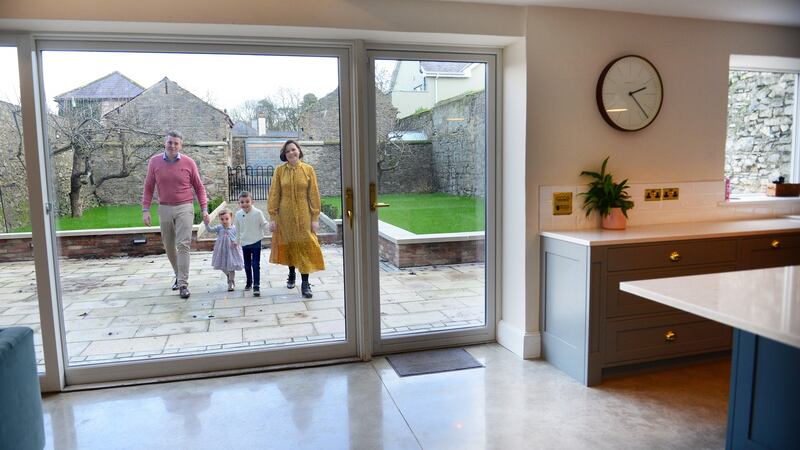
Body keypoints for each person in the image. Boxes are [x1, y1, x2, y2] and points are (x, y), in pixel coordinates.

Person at [142, 130, 210, 299]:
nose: (172, 146)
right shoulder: (154, 162)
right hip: (164, 207)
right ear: (165, 143)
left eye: (176, 143)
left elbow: (199, 187)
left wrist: (204, 208)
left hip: (184, 207)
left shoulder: (189, 162)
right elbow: (149, 186)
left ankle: (183, 284)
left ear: (181, 145)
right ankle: (178, 275)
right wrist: (145, 210)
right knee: (169, 245)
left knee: (183, 245)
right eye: (170, 142)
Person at [268, 140, 325, 299]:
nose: (291, 153)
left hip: (304, 214)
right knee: (289, 243)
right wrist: (273, 216)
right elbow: (274, 194)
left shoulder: (308, 170)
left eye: (293, 149)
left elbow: (313, 194)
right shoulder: (279, 171)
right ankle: (292, 273)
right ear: (284, 155)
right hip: (285, 215)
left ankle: (305, 283)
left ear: (299, 151)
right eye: (288, 151)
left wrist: (315, 217)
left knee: (305, 244)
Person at [234, 191, 268, 297]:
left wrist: (270, 227)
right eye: (242, 202)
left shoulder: (258, 213)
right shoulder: (238, 214)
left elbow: (264, 224)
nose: (245, 204)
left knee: (255, 264)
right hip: (245, 243)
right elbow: (237, 229)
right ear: (238, 203)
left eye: (247, 201)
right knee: (247, 265)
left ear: (252, 201)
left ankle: (256, 286)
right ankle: (249, 282)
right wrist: (237, 241)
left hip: (256, 241)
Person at [204, 208, 244, 291]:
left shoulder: (234, 228)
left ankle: (231, 282)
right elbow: (209, 230)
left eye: (226, 219)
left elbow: (240, 236)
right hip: (222, 250)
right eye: (222, 219)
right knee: (222, 265)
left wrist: (237, 241)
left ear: (231, 218)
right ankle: (229, 276)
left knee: (231, 266)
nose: (224, 221)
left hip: (232, 250)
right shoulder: (219, 228)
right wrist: (206, 223)